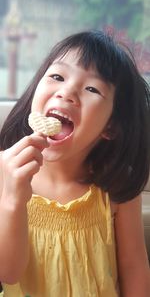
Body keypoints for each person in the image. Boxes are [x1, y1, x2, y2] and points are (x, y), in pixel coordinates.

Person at [0, 30, 150, 297]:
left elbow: (134, 266)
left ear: (110, 127)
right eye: (57, 76)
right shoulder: (6, 173)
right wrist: (12, 198)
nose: (66, 92)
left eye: (92, 88)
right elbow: (8, 272)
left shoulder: (116, 186)